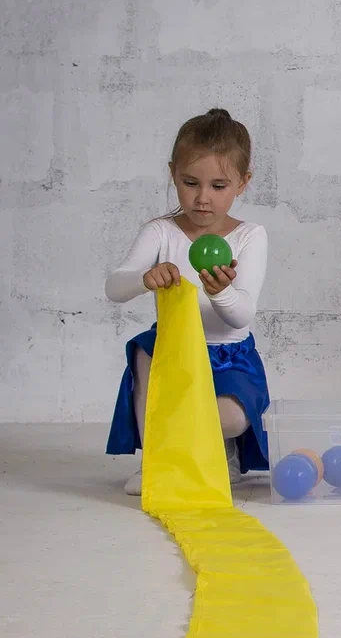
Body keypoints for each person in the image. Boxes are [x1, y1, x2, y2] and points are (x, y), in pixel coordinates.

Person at [104, 108, 270, 495]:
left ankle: (219, 450)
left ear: (242, 183)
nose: (202, 198)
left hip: (228, 356)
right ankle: (158, 460)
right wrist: (144, 278)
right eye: (190, 182)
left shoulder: (250, 236)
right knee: (145, 348)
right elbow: (114, 287)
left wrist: (221, 292)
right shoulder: (160, 231)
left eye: (218, 186)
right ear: (173, 173)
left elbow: (241, 314)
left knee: (229, 418)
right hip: (174, 350)